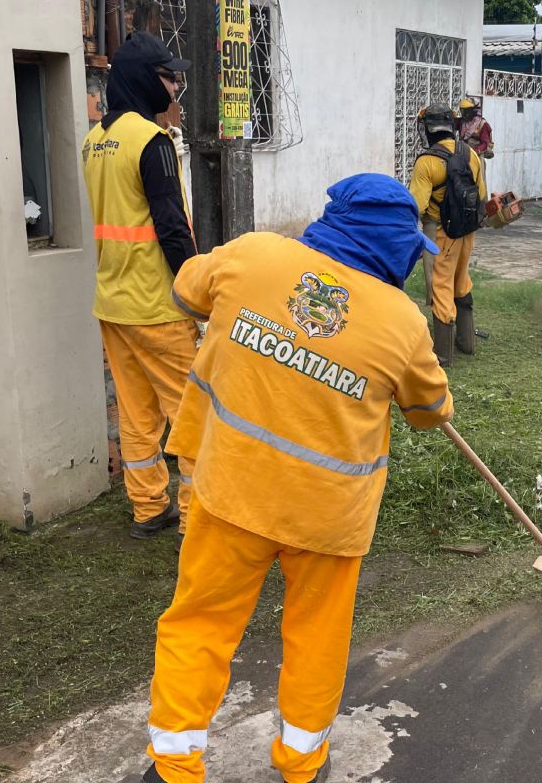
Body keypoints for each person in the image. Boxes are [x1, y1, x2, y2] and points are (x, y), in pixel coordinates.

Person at [124, 173, 454, 783]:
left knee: (200, 624)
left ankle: (172, 767)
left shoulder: (254, 255)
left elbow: (187, 292)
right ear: (399, 248)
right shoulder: (402, 321)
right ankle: (302, 767)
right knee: (315, 640)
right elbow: (431, 414)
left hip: (231, 492)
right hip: (327, 518)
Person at [82, 31, 198, 539]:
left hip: (114, 302)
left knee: (136, 414)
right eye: (169, 77)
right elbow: (172, 227)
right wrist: (198, 291)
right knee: (193, 413)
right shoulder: (151, 142)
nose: (174, 87)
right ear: (144, 80)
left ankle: (149, 509)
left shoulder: (95, 141)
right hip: (158, 305)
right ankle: (199, 518)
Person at [408, 104, 488, 367]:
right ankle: (466, 342)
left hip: (441, 231)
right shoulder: (471, 154)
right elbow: (482, 195)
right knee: (461, 278)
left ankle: (443, 355)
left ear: (428, 129)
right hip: (468, 231)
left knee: (441, 285)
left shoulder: (426, 162)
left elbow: (416, 206)